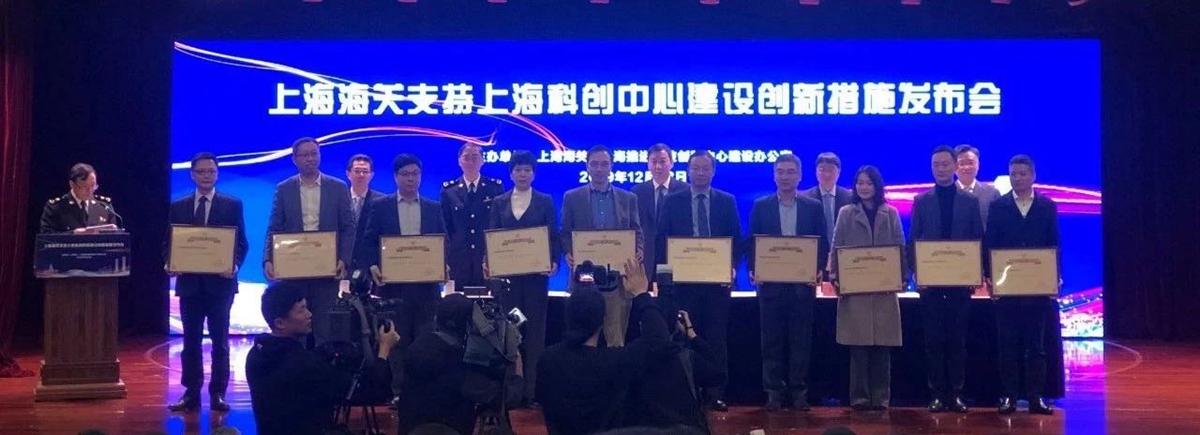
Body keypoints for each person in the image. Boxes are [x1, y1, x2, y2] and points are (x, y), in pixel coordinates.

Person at [537, 258, 670, 435]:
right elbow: (659, 340)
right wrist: (641, 294)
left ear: (567, 316)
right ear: (602, 321)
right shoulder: (615, 362)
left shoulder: (547, 360)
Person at [246, 281, 398, 435]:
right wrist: (384, 349)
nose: (309, 314)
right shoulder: (306, 366)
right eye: (301, 310)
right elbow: (371, 391)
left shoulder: (256, 355)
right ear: (280, 323)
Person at [353, 153, 446, 404]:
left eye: (415, 174)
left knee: (426, 339)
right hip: (393, 287)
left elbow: (442, 242)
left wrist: (443, 265)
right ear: (395, 177)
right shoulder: (380, 206)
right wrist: (373, 265)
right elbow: (368, 242)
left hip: (426, 288)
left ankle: (424, 392)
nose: (410, 179)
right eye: (405, 174)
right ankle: (399, 393)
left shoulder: (433, 207)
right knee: (397, 340)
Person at [656, 150, 741, 412]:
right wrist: (663, 280)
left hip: (716, 286)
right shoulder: (672, 201)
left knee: (716, 340)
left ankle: (715, 394)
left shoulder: (726, 201)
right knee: (682, 339)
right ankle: (686, 393)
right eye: (696, 168)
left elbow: (736, 240)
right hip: (683, 286)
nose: (701, 173)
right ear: (688, 171)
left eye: (705, 168)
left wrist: (731, 268)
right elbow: (662, 241)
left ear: (713, 171)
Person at [165, 152, 249, 413]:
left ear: (217, 174)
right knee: (190, 343)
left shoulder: (232, 204)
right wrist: (169, 262)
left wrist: (233, 266)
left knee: (220, 342)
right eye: (201, 171)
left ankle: (218, 394)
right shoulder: (178, 205)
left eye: (211, 171)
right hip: (190, 285)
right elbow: (169, 242)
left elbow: (242, 243)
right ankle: (191, 393)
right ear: (192, 175)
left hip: (221, 286)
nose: (206, 176)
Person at [748, 153, 828, 411]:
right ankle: (773, 392)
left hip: (802, 286)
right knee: (770, 342)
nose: (785, 177)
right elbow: (752, 242)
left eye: (790, 172)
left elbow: (822, 243)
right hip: (770, 286)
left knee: (800, 342)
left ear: (800, 176)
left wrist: (817, 269)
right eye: (780, 172)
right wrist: (753, 269)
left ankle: (798, 392)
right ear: (774, 175)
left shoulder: (812, 207)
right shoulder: (761, 206)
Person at [909, 145, 984, 413]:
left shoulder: (970, 201)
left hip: (960, 282)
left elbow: (977, 239)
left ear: (955, 166)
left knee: (957, 340)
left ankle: (956, 393)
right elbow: (913, 240)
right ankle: (937, 393)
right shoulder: (921, 200)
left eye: (944, 164)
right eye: (936, 165)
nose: (940, 169)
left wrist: (976, 273)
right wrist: (915, 272)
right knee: (934, 340)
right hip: (930, 283)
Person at [984, 155, 1059, 415]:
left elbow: (1054, 243)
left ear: (1033, 176)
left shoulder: (1047, 206)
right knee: (1007, 345)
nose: (1018, 178)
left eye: (1023, 174)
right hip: (1007, 288)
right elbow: (990, 243)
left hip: (1037, 289)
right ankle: (1009, 396)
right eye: (1013, 174)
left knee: (1036, 346)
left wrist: (1055, 276)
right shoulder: (998, 206)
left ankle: (1035, 396)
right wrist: (990, 277)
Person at [263, 137, 355, 347]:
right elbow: (274, 228)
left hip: (327, 272)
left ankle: (323, 368)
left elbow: (348, 228)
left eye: (314, 153)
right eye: (305, 155)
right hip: (295, 272)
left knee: (325, 331)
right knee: (298, 333)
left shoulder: (338, 187)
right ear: (295, 159)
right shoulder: (284, 188)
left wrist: (344, 260)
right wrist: (268, 259)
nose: (311, 159)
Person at [828, 165, 906, 411]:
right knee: (859, 350)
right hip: (856, 292)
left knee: (882, 349)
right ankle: (859, 398)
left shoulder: (890, 213)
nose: (864, 187)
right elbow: (836, 247)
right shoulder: (846, 213)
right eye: (860, 183)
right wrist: (835, 276)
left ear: (877, 186)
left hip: (884, 291)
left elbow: (900, 248)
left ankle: (881, 398)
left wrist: (902, 276)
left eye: (868, 183)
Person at [486, 150, 559, 407]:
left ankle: (531, 392)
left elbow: (553, 235)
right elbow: (492, 236)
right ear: (511, 173)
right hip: (509, 282)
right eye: (518, 169)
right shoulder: (499, 202)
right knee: (509, 332)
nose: (523, 174)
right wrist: (489, 262)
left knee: (535, 335)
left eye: (527, 169)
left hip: (535, 281)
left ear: (534, 174)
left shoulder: (545, 201)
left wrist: (554, 261)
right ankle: (509, 391)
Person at [398, 293, 520, 435]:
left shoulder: (417, 347)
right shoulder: (460, 363)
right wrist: (515, 366)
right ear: (469, 326)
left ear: (436, 319)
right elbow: (508, 399)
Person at [560, 145, 645, 347]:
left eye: (604, 164)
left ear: (611, 166)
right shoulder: (572, 197)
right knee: (582, 338)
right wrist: (568, 252)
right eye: (595, 164)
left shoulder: (628, 198)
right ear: (587, 166)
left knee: (616, 340)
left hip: (617, 281)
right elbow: (565, 232)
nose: (599, 169)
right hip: (584, 279)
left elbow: (636, 231)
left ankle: (616, 369)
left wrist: (639, 249)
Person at [626, 309, 724, 433]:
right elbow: (718, 375)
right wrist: (692, 334)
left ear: (641, 327)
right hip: (686, 429)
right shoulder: (687, 359)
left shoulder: (630, 358)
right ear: (675, 328)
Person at [441, 143, 504, 288]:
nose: (470, 162)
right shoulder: (449, 191)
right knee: (458, 300)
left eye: (475, 157)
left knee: (490, 300)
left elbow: (499, 225)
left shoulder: (494, 188)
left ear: (482, 160)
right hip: (458, 259)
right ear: (459, 161)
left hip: (487, 259)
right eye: (466, 158)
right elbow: (445, 227)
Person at [631, 143, 689, 284]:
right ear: (648, 164)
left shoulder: (685, 190)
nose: (658, 167)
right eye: (654, 162)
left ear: (671, 163)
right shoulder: (636, 192)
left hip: (678, 257)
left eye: (662, 162)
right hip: (646, 259)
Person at [802, 152, 854, 268]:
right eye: (822, 170)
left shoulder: (850, 198)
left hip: (844, 258)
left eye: (831, 170)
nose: (826, 174)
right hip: (814, 259)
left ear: (839, 172)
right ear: (816, 172)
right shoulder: (805, 199)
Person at [39, 163, 119, 233]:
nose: (90, 191)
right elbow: (46, 238)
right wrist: (73, 234)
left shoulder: (104, 206)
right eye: (84, 186)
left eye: (93, 186)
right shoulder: (55, 207)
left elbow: (115, 237)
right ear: (72, 184)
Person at [346, 154, 384, 271]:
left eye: (365, 172)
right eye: (357, 171)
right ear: (348, 174)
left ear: (371, 175)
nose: (361, 175)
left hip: (370, 265)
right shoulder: (339, 198)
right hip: (344, 262)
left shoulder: (381, 202)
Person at [954, 145, 1002, 227]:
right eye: (961, 164)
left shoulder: (992, 194)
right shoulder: (946, 193)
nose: (966, 167)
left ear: (978, 165)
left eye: (970, 163)